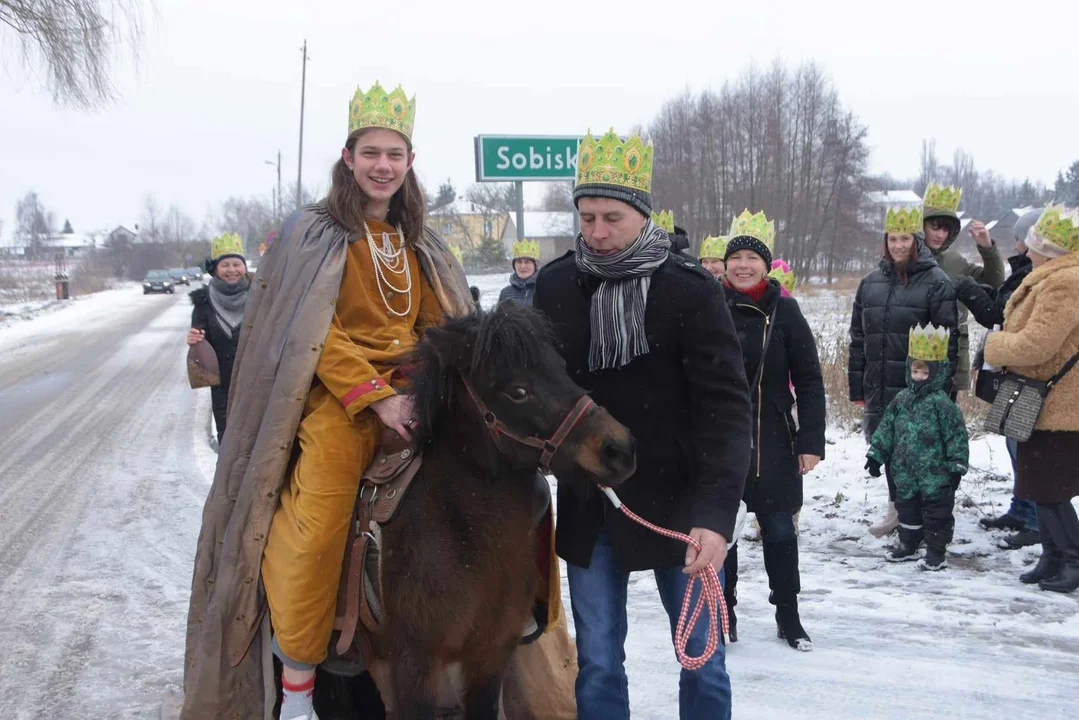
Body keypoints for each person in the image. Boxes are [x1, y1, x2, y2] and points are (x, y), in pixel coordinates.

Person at [182, 82, 569, 720]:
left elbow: (436, 322)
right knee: (322, 514)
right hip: (339, 397)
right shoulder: (314, 233)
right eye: (371, 153)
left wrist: (439, 382)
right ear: (348, 155)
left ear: (409, 161)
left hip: (414, 384)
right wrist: (376, 397)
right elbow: (308, 332)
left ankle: (518, 624)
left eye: (394, 154)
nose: (382, 165)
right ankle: (302, 676)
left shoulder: (418, 237)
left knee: (505, 476)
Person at [533, 128, 751, 719]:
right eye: (586, 217)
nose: (596, 232)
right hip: (592, 505)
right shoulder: (553, 287)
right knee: (598, 660)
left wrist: (715, 518)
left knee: (702, 660)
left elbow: (727, 412)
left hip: (683, 508)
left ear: (641, 214)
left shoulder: (690, 291)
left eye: (611, 217)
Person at [720, 210, 826, 650]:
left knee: (780, 533)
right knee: (720, 537)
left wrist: (811, 441)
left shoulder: (786, 310)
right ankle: (722, 613)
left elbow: (809, 378)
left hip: (776, 443)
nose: (743, 265)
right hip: (720, 443)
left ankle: (789, 615)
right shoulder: (708, 304)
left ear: (767, 265)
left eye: (752, 257)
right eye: (736, 257)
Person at [984, 204, 1079, 594]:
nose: (1025, 249)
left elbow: (1039, 344)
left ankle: (1073, 558)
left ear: (1048, 249)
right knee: (1036, 484)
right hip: (1038, 401)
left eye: (1033, 243)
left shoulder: (1065, 282)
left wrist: (994, 345)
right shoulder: (1049, 277)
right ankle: (1052, 556)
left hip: (1057, 404)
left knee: (1050, 489)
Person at [848, 205, 959, 538]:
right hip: (879, 386)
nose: (898, 245)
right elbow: (858, 338)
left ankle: (926, 520)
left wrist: (939, 389)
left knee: (921, 456)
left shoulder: (936, 282)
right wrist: (857, 388)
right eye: (892, 238)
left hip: (917, 388)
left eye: (905, 238)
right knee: (890, 453)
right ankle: (899, 512)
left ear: (917, 240)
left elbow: (948, 342)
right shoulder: (870, 283)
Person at [954, 207, 1043, 549]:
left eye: (1021, 237)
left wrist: (967, 289)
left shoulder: (1036, 273)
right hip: (1015, 372)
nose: (1018, 241)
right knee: (1012, 440)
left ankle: (1035, 519)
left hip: (1028, 374)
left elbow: (998, 313)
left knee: (1026, 446)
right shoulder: (1024, 269)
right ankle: (1021, 509)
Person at [865, 324, 969, 570]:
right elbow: (886, 429)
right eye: (915, 371)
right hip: (905, 473)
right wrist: (876, 455)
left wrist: (956, 465)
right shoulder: (901, 400)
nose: (919, 377)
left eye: (925, 373)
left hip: (936, 474)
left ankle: (935, 551)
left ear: (936, 373)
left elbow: (956, 436)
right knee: (907, 511)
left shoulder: (942, 405)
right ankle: (908, 545)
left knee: (937, 514)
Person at [921, 182, 1005, 396]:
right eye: (935, 227)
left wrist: (987, 248)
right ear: (920, 226)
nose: (940, 234)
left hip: (950, 357)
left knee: (945, 420)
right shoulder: (906, 261)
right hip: (915, 355)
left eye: (946, 229)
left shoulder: (955, 261)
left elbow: (993, 282)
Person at [186, 232, 251, 442]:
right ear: (215, 268)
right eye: (225, 265)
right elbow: (199, 336)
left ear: (244, 267)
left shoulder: (262, 297)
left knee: (257, 441)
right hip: (223, 386)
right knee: (228, 440)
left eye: (236, 264)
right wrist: (194, 339)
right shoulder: (203, 302)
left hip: (258, 381)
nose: (231, 270)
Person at [498, 238, 539, 306]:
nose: (522, 266)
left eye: (527, 262)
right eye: (519, 262)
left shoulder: (544, 290)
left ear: (535, 265)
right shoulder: (505, 293)